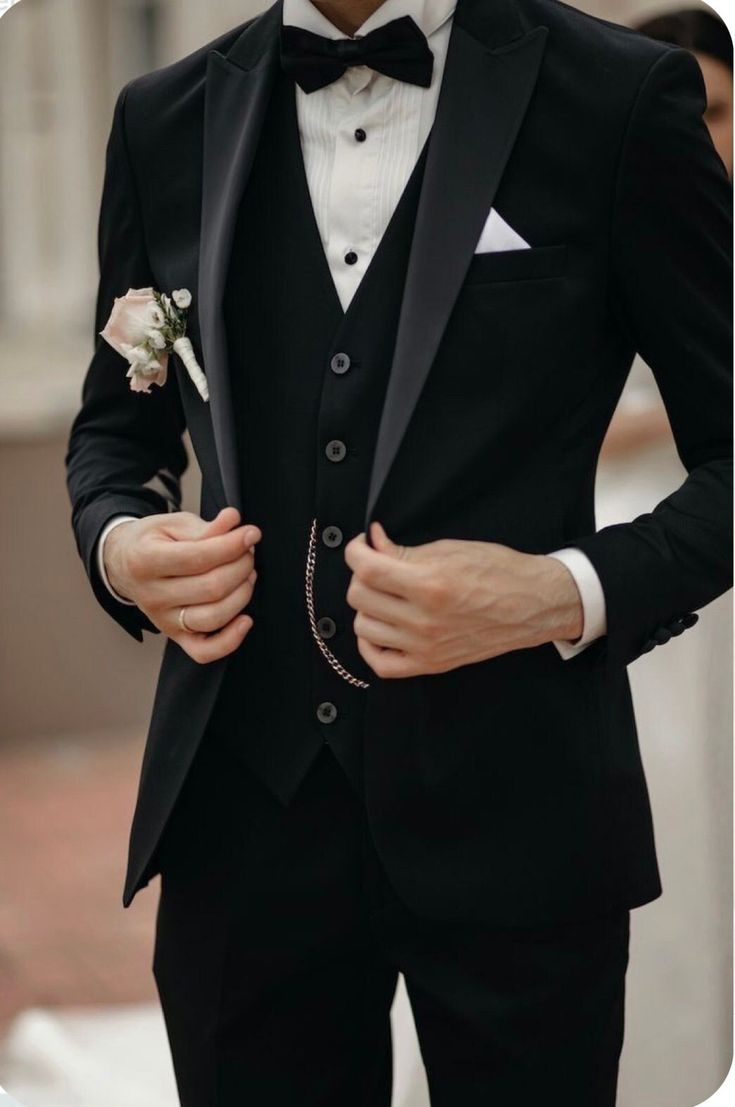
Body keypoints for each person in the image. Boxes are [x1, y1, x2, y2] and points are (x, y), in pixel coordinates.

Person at [65, 0, 732, 1100]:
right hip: (243, 817)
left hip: (521, 813)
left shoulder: (618, 98)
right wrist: (121, 543)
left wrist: (562, 592)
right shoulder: (162, 117)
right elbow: (114, 433)